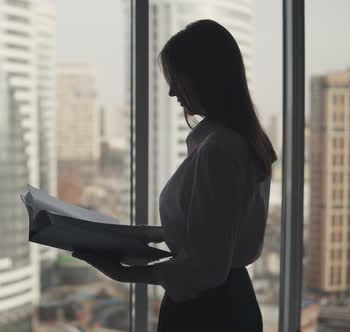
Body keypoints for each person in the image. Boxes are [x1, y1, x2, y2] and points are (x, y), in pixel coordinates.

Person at [72, 19, 276, 331]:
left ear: (205, 77)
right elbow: (214, 232)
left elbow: (206, 269)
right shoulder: (240, 140)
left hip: (207, 313)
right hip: (229, 303)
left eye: (177, 79)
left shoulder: (218, 150)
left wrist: (123, 273)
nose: (171, 92)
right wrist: (138, 236)